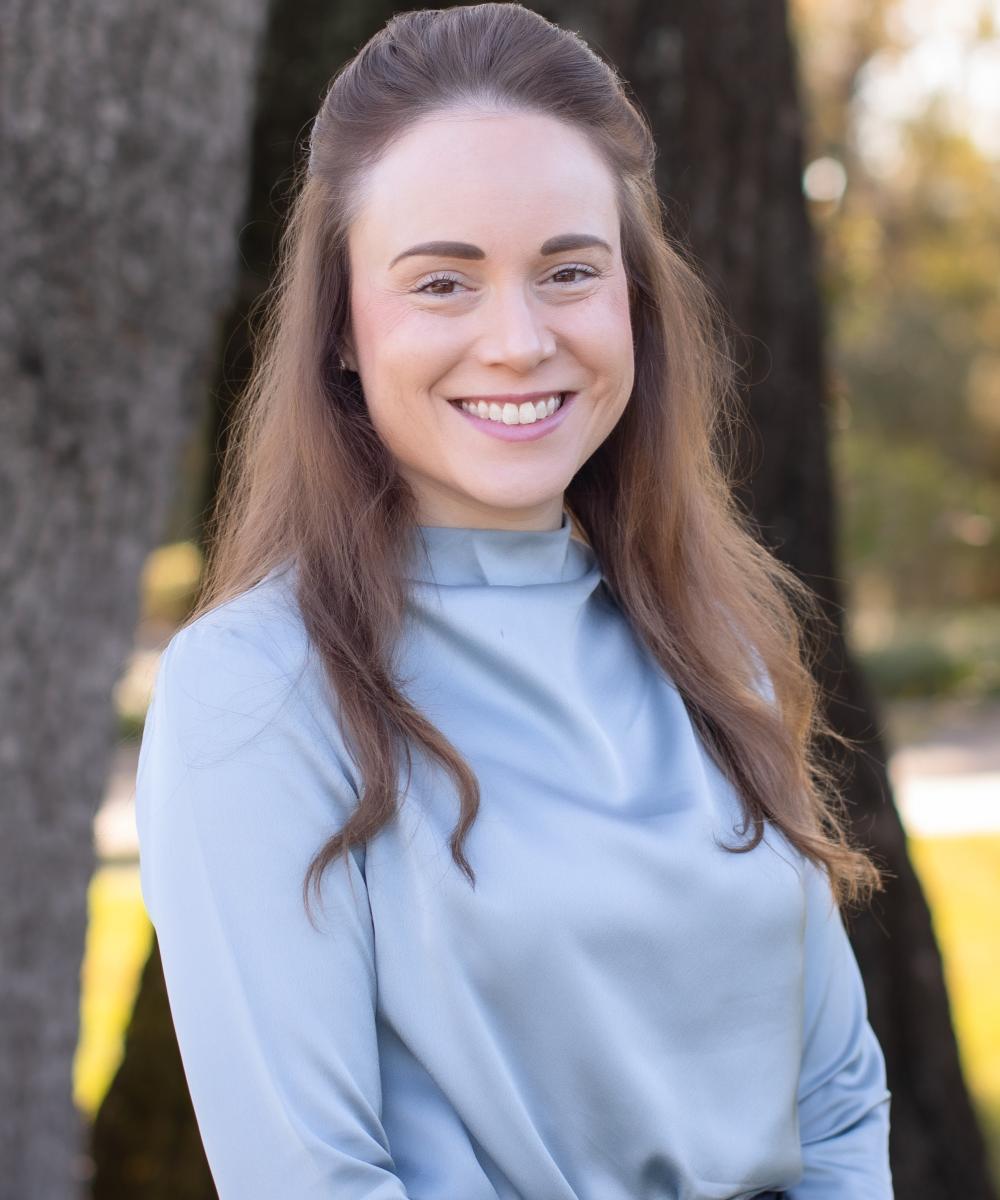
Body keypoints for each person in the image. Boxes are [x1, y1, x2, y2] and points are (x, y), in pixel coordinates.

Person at [134, 4, 894, 1197]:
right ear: (341, 329)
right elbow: (312, 1178)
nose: (518, 340)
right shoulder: (256, 689)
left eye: (568, 272)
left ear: (632, 300)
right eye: (443, 282)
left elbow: (836, 1098)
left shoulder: (709, 642)